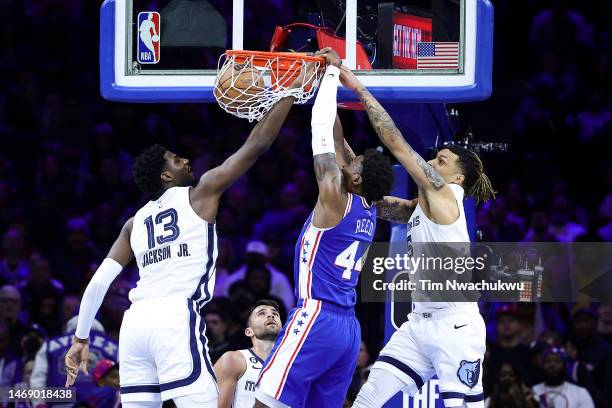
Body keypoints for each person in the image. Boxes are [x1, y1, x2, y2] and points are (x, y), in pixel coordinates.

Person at [63, 93, 300, 408]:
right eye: (176, 159)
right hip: (173, 318)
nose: (186, 160)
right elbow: (256, 145)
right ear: (165, 176)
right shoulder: (200, 193)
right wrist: (289, 93)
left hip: (133, 327)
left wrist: (81, 338)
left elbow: (98, 283)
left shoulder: (134, 223)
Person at [340, 66, 495, 408]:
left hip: (455, 326)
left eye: (441, 161)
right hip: (418, 324)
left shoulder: (447, 194)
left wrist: (357, 89)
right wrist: (338, 144)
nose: (431, 163)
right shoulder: (419, 207)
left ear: (455, 179)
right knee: (367, 399)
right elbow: (374, 199)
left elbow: (394, 142)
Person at [255, 48, 394, 408]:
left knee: (265, 401)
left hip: (316, 315)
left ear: (357, 176)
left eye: (355, 160)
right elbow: (336, 137)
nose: (351, 156)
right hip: (348, 330)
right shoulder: (369, 206)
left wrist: (331, 74)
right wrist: (320, 78)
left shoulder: (335, 194)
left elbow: (321, 131)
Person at [31, 316, 115, 408]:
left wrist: (39, 404)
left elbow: (38, 378)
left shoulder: (49, 345)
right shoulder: (114, 345)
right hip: (99, 403)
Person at [214, 300, 282, 408]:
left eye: (275, 314)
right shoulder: (233, 360)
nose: (270, 315)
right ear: (249, 331)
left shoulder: (293, 366)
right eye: (261, 313)